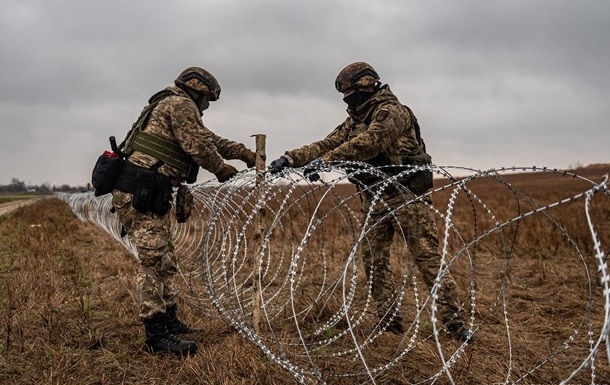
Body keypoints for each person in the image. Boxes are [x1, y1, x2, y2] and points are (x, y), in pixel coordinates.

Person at [268, 62, 472, 342]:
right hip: (374, 199)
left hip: (405, 198)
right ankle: (389, 323)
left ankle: (455, 323)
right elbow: (327, 143)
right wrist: (291, 158)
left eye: (350, 91)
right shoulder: (356, 119)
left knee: (427, 260)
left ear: (366, 85)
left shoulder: (392, 112)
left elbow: (370, 143)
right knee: (375, 262)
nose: (346, 98)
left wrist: (327, 162)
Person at [110, 66, 256, 355]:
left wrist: (242, 152)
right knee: (153, 262)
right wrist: (223, 170)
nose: (207, 107)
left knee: (164, 259)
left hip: (150, 193)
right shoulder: (180, 104)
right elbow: (199, 147)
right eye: (208, 100)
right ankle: (156, 336)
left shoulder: (173, 104)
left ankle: (169, 321)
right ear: (199, 91)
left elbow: (208, 138)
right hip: (140, 193)